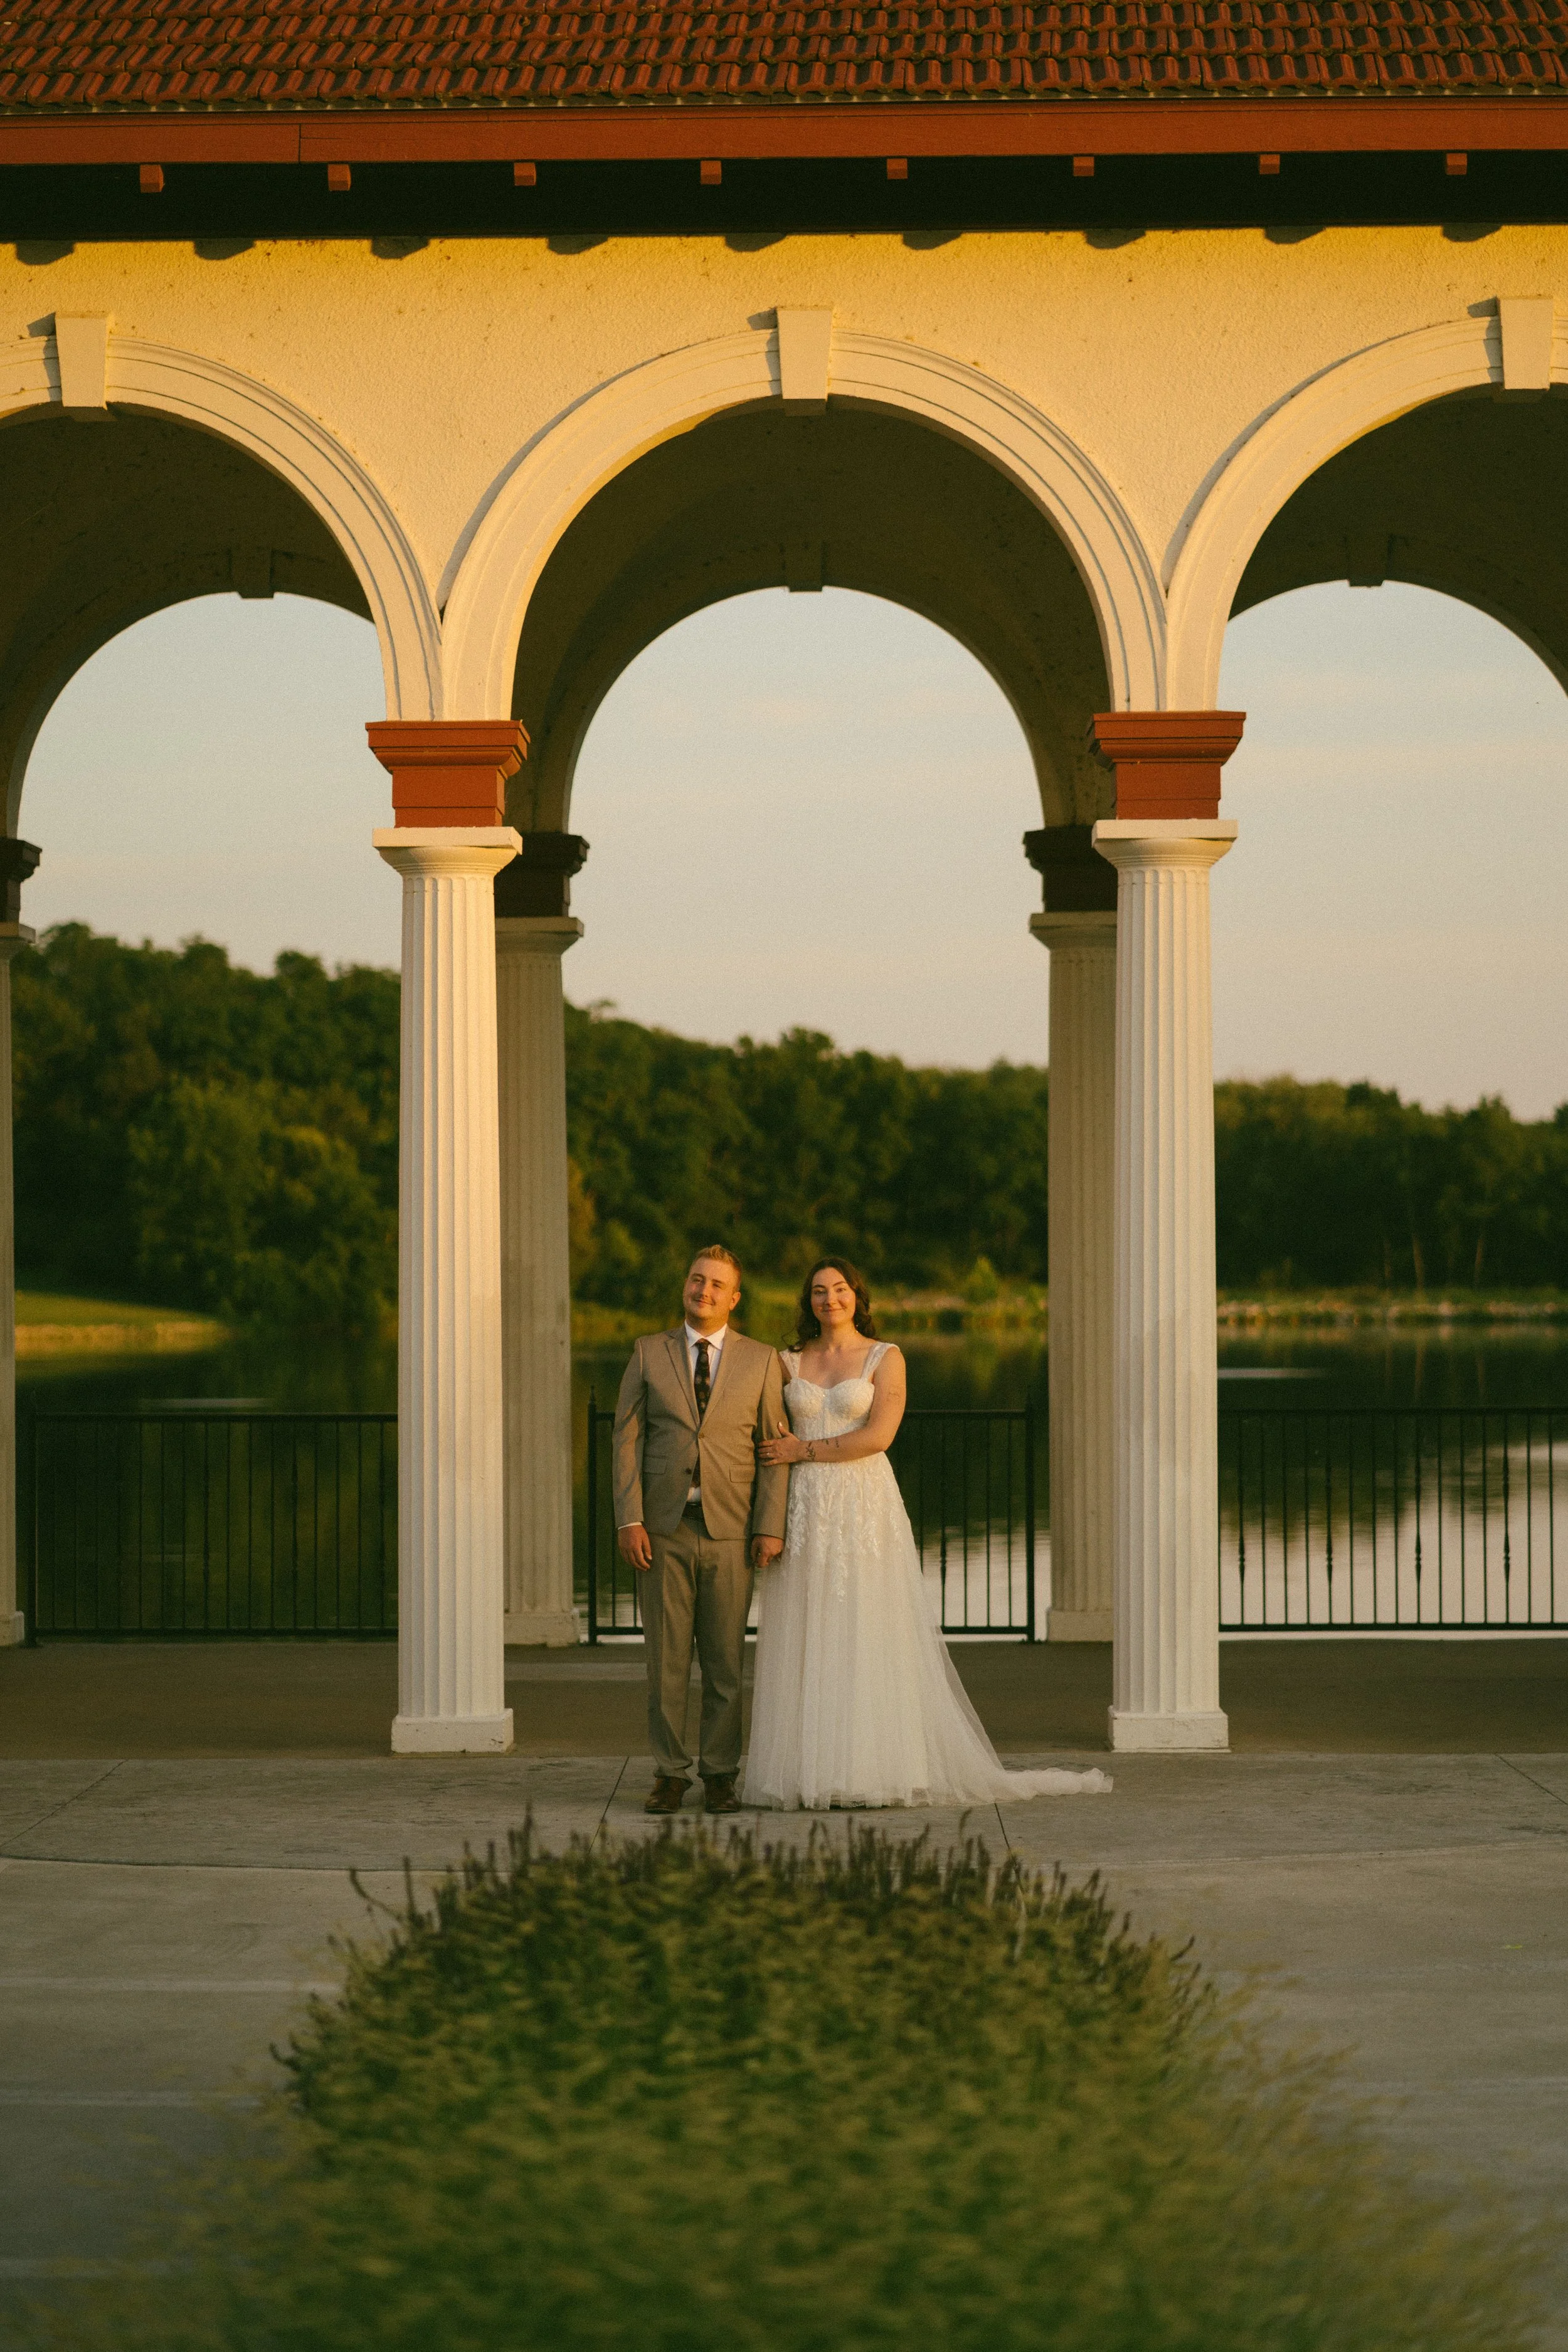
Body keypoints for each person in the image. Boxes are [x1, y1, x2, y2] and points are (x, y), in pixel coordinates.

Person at [746, 1257, 1111, 1810]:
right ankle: (806, 1771)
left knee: (865, 1628)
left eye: (839, 1289)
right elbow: (768, 1432)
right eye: (818, 1292)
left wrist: (805, 1450)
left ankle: (870, 1770)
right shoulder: (786, 1361)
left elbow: (879, 1435)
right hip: (804, 1507)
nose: (829, 1300)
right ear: (808, 1301)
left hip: (863, 1504)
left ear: (856, 1295)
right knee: (807, 1627)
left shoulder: (884, 1357)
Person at [613, 1246, 789, 1816]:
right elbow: (626, 1441)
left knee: (725, 1664)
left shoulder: (762, 1361)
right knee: (664, 1664)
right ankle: (669, 1774)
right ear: (684, 1286)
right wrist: (629, 1518)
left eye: (717, 1285)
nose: (704, 1291)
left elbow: (773, 1451)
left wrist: (768, 1526)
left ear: (734, 1298)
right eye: (696, 1280)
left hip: (732, 1532)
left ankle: (719, 1775)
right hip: (662, 1530)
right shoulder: (647, 1353)